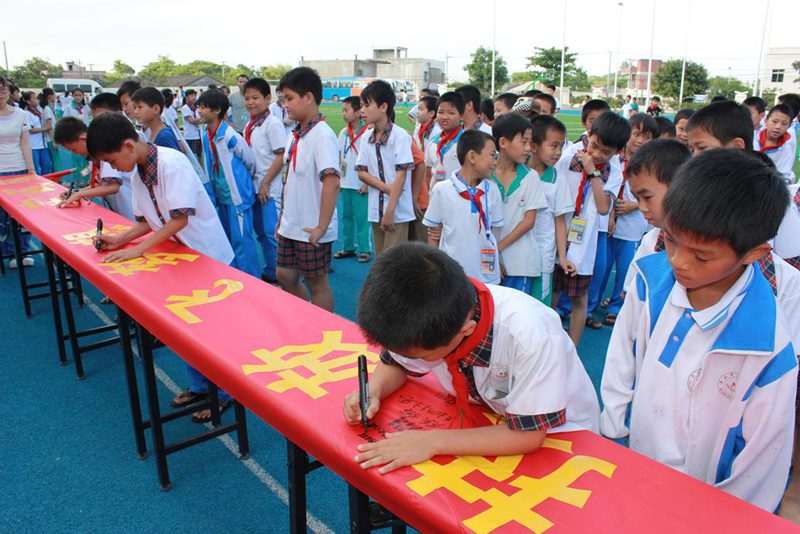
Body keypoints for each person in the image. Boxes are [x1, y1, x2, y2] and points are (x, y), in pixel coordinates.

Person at [600, 149, 796, 512]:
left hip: (704, 501)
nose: (679, 262)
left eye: (702, 256)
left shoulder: (767, 345)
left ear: (754, 253)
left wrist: (722, 516)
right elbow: (620, 359)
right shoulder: (649, 280)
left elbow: (761, 459)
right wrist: (613, 431)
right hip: (635, 464)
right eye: (672, 240)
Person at [343, 242, 600, 474]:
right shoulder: (437, 312)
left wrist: (432, 441)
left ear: (465, 331)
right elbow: (396, 363)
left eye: (423, 356)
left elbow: (529, 436)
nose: (406, 356)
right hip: (493, 419)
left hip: (563, 438)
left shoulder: (530, 335)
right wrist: (373, 392)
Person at [86, 112, 236, 423]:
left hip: (207, 259)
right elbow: (147, 221)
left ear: (129, 146)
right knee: (186, 329)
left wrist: (138, 250)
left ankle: (223, 394)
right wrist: (120, 239)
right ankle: (200, 387)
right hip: (181, 260)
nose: (113, 168)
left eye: (112, 160)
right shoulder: (138, 172)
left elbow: (179, 219)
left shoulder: (172, 164)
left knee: (212, 334)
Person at [552, 112, 629, 347]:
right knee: (552, 291)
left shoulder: (613, 171)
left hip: (583, 241)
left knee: (579, 295)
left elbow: (604, 208)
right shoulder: (569, 155)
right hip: (556, 232)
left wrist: (593, 172)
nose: (596, 154)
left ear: (617, 151)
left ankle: (573, 349)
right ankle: (550, 342)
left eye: (605, 152)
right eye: (594, 145)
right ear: (589, 134)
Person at [275, 67, 340, 312]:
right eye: (283, 99)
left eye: (289, 98)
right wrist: (283, 220)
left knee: (316, 283)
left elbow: (332, 182)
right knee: (284, 275)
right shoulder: (294, 135)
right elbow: (288, 181)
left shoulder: (322, 136)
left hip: (312, 226)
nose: (285, 105)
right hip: (292, 223)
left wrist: (321, 226)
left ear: (309, 97)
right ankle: (306, 317)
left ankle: (322, 328)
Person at [597, 113, 657, 325]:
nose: (640, 140)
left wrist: (634, 205)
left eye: (647, 137)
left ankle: (616, 306)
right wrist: (611, 214)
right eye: (636, 134)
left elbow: (654, 194)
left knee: (624, 269)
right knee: (601, 268)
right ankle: (593, 304)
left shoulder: (650, 164)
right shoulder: (613, 159)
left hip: (632, 227)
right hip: (608, 224)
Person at [424, 130, 504, 284]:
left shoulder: (492, 190)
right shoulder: (442, 190)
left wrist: (497, 260)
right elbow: (433, 234)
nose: (495, 162)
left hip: (486, 275)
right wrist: (434, 269)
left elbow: (494, 231)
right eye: (492, 155)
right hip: (453, 275)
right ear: (472, 156)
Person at [196, 89, 260, 278]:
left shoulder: (230, 135)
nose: (199, 111)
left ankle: (252, 281)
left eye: (203, 107)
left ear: (216, 110)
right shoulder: (206, 134)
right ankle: (237, 277)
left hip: (237, 197)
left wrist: (243, 185)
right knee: (227, 240)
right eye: (199, 107)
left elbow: (249, 161)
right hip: (221, 196)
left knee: (242, 242)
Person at [355, 80, 415, 254]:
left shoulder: (400, 136)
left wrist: (390, 211)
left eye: (367, 105)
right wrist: (386, 188)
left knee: (394, 262)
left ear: (383, 107)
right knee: (381, 260)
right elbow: (361, 172)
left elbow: (401, 175)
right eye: (361, 105)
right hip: (376, 210)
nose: (362, 110)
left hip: (397, 212)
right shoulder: (366, 137)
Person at [490, 113, 547, 294]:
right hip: (488, 261)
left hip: (520, 263)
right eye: (523, 142)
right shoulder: (485, 175)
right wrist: (491, 252)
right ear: (503, 142)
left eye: (530, 142)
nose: (528, 148)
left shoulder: (531, 177)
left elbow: (529, 221)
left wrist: (497, 248)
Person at [242, 78, 287, 282]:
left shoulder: (273, 124)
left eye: (255, 98)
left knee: (272, 233)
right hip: (255, 187)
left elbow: (281, 155)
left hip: (269, 189)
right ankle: (271, 269)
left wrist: (266, 183)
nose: (251, 102)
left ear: (267, 98)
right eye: (247, 98)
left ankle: (283, 275)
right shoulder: (250, 124)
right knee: (261, 232)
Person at [530, 115, 574, 305]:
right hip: (516, 257)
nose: (558, 152)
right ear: (533, 146)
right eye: (553, 146)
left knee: (539, 306)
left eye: (561, 146)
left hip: (543, 257)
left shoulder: (558, 179)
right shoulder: (518, 174)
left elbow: (560, 220)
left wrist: (562, 257)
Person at [54, 117, 134, 221]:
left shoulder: (103, 150)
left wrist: (80, 194)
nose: (75, 153)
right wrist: (76, 192)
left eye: (73, 149)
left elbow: (113, 187)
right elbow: (100, 184)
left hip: (130, 206)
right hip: (120, 208)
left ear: (83, 139)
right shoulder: (93, 155)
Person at [0, 75, 35, 267]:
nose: (0, 94)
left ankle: (22, 250)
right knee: (2, 217)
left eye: (2, 89)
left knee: (22, 213)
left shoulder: (21, 114)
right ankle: (7, 253)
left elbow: (25, 143)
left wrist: (31, 169)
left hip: (19, 169)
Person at [335, 96, 371, 263]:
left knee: (362, 219)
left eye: (346, 110)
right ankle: (348, 247)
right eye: (342, 110)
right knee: (346, 217)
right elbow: (339, 156)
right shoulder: (343, 133)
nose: (343, 114)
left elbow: (371, 160)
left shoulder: (368, 133)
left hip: (361, 183)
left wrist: (367, 182)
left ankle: (365, 249)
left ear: (358, 112)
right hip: (346, 181)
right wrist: (338, 179)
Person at [425, 92, 465, 189]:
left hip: (458, 195)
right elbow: (428, 173)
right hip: (435, 195)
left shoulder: (467, 142)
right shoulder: (433, 142)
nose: (444, 117)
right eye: (441, 112)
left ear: (461, 116)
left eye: (451, 113)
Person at [755, 104, 797, 184]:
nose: (778, 127)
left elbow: (784, 175)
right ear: (766, 121)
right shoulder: (754, 138)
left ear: (789, 126)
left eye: (784, 124)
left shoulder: (785, 149)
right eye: (774, 121)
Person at [21, 91, 52, 175]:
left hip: (43, 144)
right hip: (34, 146)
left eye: (37, 98)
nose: (37, 100)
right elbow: (30, 130)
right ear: (28, 101)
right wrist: (45, 128)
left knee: (47, 165)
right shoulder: (26, 113)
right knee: (36, 168)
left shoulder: (39, 111)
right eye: (34, 99)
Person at [181, 89, 202, 161]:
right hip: (190, 136)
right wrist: (203, 119)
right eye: (191, 95)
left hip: (198, 135)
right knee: (192, 156)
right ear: (187, 97)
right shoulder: (185, 108)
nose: (194, 97)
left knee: (199, 154)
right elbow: (191, 121)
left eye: (195, 95)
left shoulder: (196, 107)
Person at [40, 88, 59, 168]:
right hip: (51, 139)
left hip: (51, 139)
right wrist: (54, 141)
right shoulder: (47, 109)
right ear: (50, 96)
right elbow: (49, 126)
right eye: (54, 94)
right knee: (56, 161)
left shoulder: (48, 108)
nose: (55, 97)